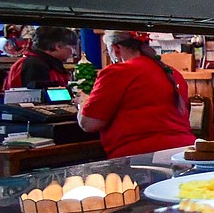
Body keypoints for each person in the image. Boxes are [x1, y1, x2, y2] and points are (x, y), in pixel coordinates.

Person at [75, 30, 195, 158]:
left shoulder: (117, 72)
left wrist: (83, 102)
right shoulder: (173, 73)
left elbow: (88, 124)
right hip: (184, 152)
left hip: (141, 157)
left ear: (116, 49)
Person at [3, 26, 77, 89]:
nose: (74, 52)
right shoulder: (35, 65)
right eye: (72, 48)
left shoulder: (42, 63)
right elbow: (39, 100)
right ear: (58, 46)